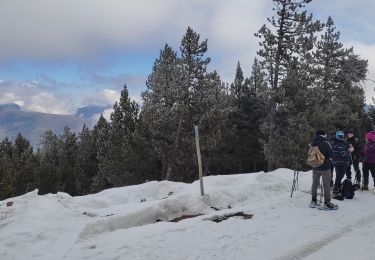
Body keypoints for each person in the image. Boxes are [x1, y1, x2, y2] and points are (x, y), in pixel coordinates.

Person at [309, 130, 336, 209]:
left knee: (314, 184)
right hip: (325, 167)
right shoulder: (326, 143)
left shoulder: (312, 143)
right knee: (326, 185)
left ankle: (313, 201)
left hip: (315, 166)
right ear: (323, 135)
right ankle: (327, 203)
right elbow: (332, 155)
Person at [331, 131, 351, 195]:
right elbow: (343, 154)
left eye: (341, 136)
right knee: (339, 176)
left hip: (337, 161)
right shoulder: (339, 143)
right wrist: (350, 151)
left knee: (339, 176)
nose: (341, 138)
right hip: (341, 162)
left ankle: (337, 188)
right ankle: (335, 189)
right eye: (340, 136)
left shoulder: (334, 142)